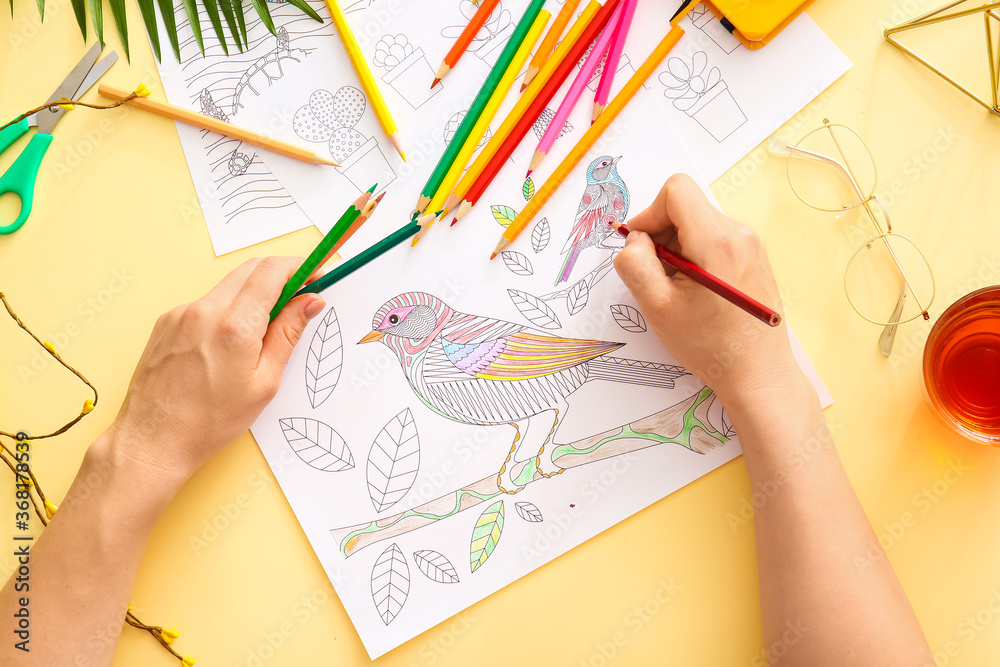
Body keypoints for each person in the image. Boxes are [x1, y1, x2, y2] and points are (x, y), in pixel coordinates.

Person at [0, 175, 932, 666]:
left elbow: (533, 368)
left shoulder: (464, 346)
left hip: (558, 391)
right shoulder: (427, 357)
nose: (389, 334)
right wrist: (763, 378)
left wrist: (137, 451)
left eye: (396, 324)